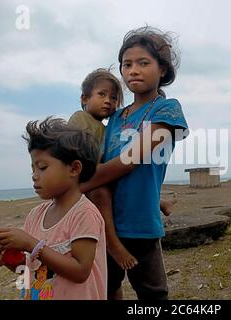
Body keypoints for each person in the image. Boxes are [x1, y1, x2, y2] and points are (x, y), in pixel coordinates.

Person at [80, 26, 188, 300]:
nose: (133, 70)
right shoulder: (116, 117)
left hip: (141, 222)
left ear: (162, 69)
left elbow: (131, 160)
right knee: (108, 286)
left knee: (152, 292)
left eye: (143, 63)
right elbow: (103, 161)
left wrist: (77, 186)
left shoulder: (167, 109)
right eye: (127, 65)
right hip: (106, 223)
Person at [0, 117, 107, 300]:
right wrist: (5, 258)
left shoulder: (84, 214)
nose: (34, 176)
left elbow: (80, 271)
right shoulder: (35, 215)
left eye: (42, 167)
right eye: (33, 169)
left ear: (74, 169)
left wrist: (31, 244)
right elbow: (29, 266)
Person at [69, 68, 175, 271]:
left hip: (102, 171)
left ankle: (160, 202)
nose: (108, 101)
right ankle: (113, 244)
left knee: (119, 183)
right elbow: (75, 149)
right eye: (102, 95)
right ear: (84, 99)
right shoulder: (80, 119)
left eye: (114, 98)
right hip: (87, 175)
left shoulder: (107, 126)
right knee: (102, 193)